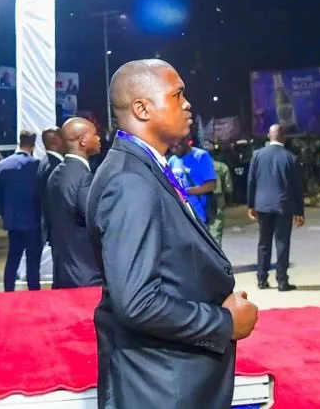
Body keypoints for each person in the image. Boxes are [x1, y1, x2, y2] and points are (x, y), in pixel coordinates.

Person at [88, 59, 257, 409]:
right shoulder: (129, 181)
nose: (187, 104)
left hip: (169, 378)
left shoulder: (145, 167)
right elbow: (137, 302)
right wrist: (224, 323)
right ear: (142, 108)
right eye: (177, 95)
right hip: (162, 387)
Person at [44, 117, 102, 289]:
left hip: (63, 274)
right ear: (82, 140)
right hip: (87, 277)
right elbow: (98, 223)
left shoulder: (55, 174)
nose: (99, 138)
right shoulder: (84, 178)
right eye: (95, 134)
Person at [246, 124, 305, 291]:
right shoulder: (290, 158)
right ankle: (282, 281)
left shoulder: (257, 155)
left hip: (263, 205)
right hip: (283, 205)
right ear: (283, 137)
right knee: (282, 243)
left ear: (269, 136)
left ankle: (262, 279)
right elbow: (297, 187)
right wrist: (299, 211)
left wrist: (251, 204)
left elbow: (251, 181)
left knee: (263, 243)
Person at [0, 130, 44, 291]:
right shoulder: (37, 165)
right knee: (33, 262)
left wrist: (5, 214)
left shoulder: (3, 165)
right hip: (33, 222)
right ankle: (33, 293)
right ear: (33, 145)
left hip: (13, 223)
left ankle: (8, 291)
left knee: (12, 259)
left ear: (19, 142)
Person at [168, 138, 218, 225]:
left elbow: (211, 185)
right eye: (171, 148)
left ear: (185, 141)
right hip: (181, 215)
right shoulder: (172, 160)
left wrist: (184, 192)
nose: (174, 150)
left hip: (199, 214)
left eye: (176, 146)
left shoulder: (201, 156)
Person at [208, 144, 234, 244]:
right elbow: (228, 187)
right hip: (218, 198)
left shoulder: (197, 166)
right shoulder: (222, 167)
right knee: (216, 230)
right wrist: (229, 201)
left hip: (199, 197)